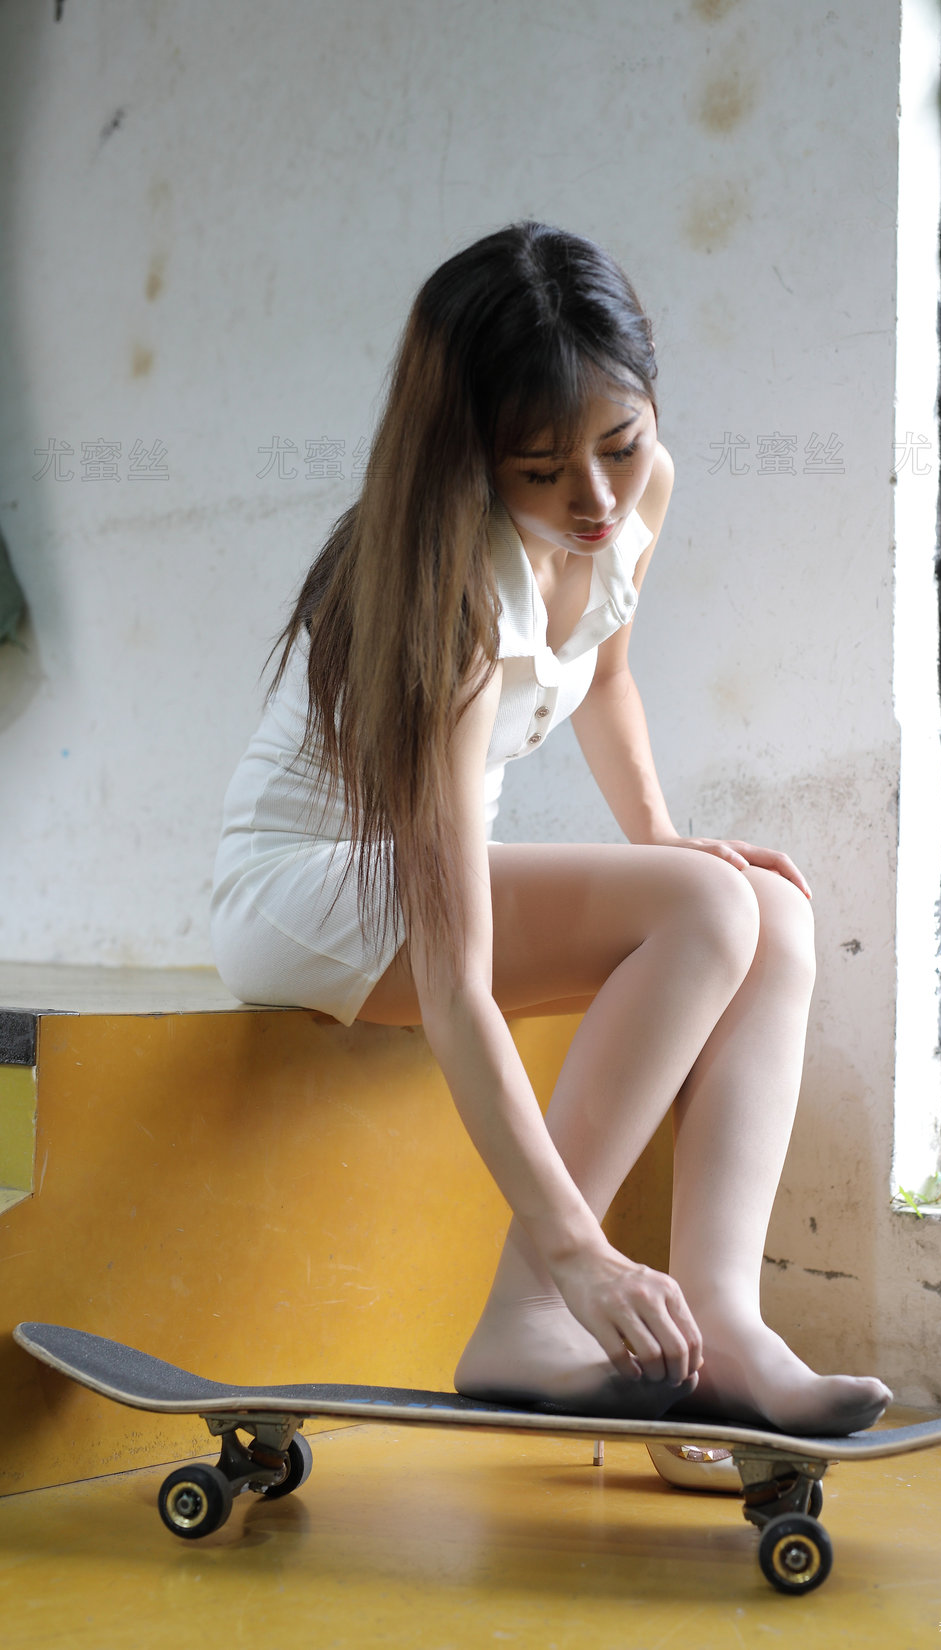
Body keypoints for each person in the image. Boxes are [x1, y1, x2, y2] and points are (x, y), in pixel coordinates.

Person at [211, 221, 891, 1436]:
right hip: (306, 891)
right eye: (538, 470)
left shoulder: (640, 491)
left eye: (618, 445)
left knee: (769, 910)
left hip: (424, 869)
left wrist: (660, 836)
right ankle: (530, 1310)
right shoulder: (454, 596)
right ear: (468, 457)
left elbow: (606, 675)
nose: (595, 498)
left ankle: (718, 1328)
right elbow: (455, 984)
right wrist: (579, 1250)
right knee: (705, 909)